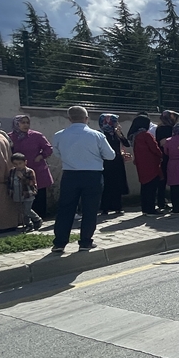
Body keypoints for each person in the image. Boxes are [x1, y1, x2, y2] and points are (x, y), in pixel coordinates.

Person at [50, 106, 115, 253]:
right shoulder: (96, 135)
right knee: (90, 209)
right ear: (86, 118)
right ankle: (85, 242)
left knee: (65, 209)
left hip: (70, 174)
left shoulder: (59, 135)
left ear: (69, 119)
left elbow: (57, 153)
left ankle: (59, 243)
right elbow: (110, 155)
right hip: (92, 175)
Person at [10, 114, 55, 219]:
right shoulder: (10, 137)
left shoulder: (36, 135)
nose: (26, 125)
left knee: (38, 192)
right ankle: (26, 218)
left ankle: (41, 216)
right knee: (23, 192)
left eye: (27, 122)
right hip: (20, 169)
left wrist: (41, 156)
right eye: (22, 122)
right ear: (16, 124)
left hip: (37, 168)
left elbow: (48, 148)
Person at [129, 115, 163, 217]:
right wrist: (161, 155)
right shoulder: (146, 135)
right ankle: (151, 209)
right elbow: (154, 148)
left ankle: (145, 209)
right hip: (151, 164)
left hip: (141, 164)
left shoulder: (135, 136)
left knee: (145, 187)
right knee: (152, 188)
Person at [98, 113, 130, 215]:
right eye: (115, 121)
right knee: (107, 185)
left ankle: (117, 206)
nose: (117, 124)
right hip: (106, 162)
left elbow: (126, 144)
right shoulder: (101, 134)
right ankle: (105, 207)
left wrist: (120, 134)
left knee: (118, 184)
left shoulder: (115, 133)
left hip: (117, 162)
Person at [9, 153, 41, 231]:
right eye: (15, 164)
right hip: (17, 193)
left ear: (25, 162)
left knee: (27, 209)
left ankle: (37, 219)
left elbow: (32, 183)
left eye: (20, 163)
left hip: (28, 194)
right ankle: (28, 224)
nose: (18, 166)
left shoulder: (29, 171)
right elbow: (10, 182)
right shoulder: (12, 171)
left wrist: (22, 178)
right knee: (22, 210)